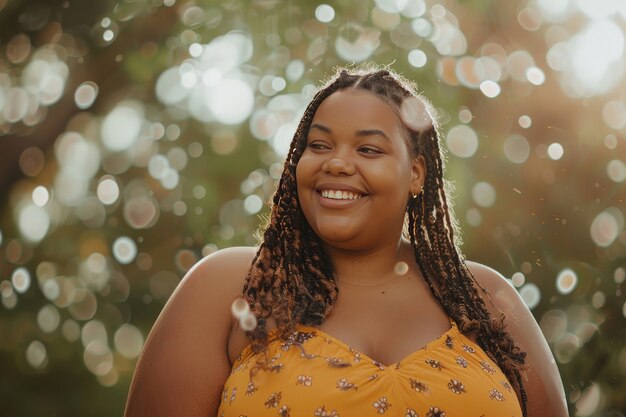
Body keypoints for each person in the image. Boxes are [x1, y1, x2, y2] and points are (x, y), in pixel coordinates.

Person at [124, 66, 568, 417]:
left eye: (368, 150)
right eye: (318, 146)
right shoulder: (228, 287)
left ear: (416, 173)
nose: (337, 163)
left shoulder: (484, 299)